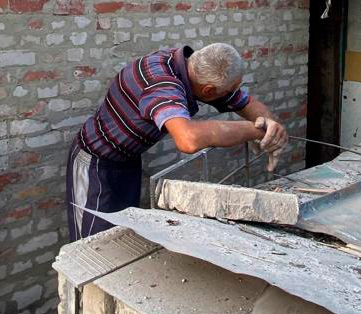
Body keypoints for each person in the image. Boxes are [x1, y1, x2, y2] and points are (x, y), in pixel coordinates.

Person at [66, 42, 288, 240]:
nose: (235, 94)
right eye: (231, 90)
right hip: (95, 162)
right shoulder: (162, 85)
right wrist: (254, 131)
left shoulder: (194, 68)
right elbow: (188, 140)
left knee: (120, 235)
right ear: (208, 90)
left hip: (127, 160)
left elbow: (245, 102)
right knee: (93, 243)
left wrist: (271, 129)